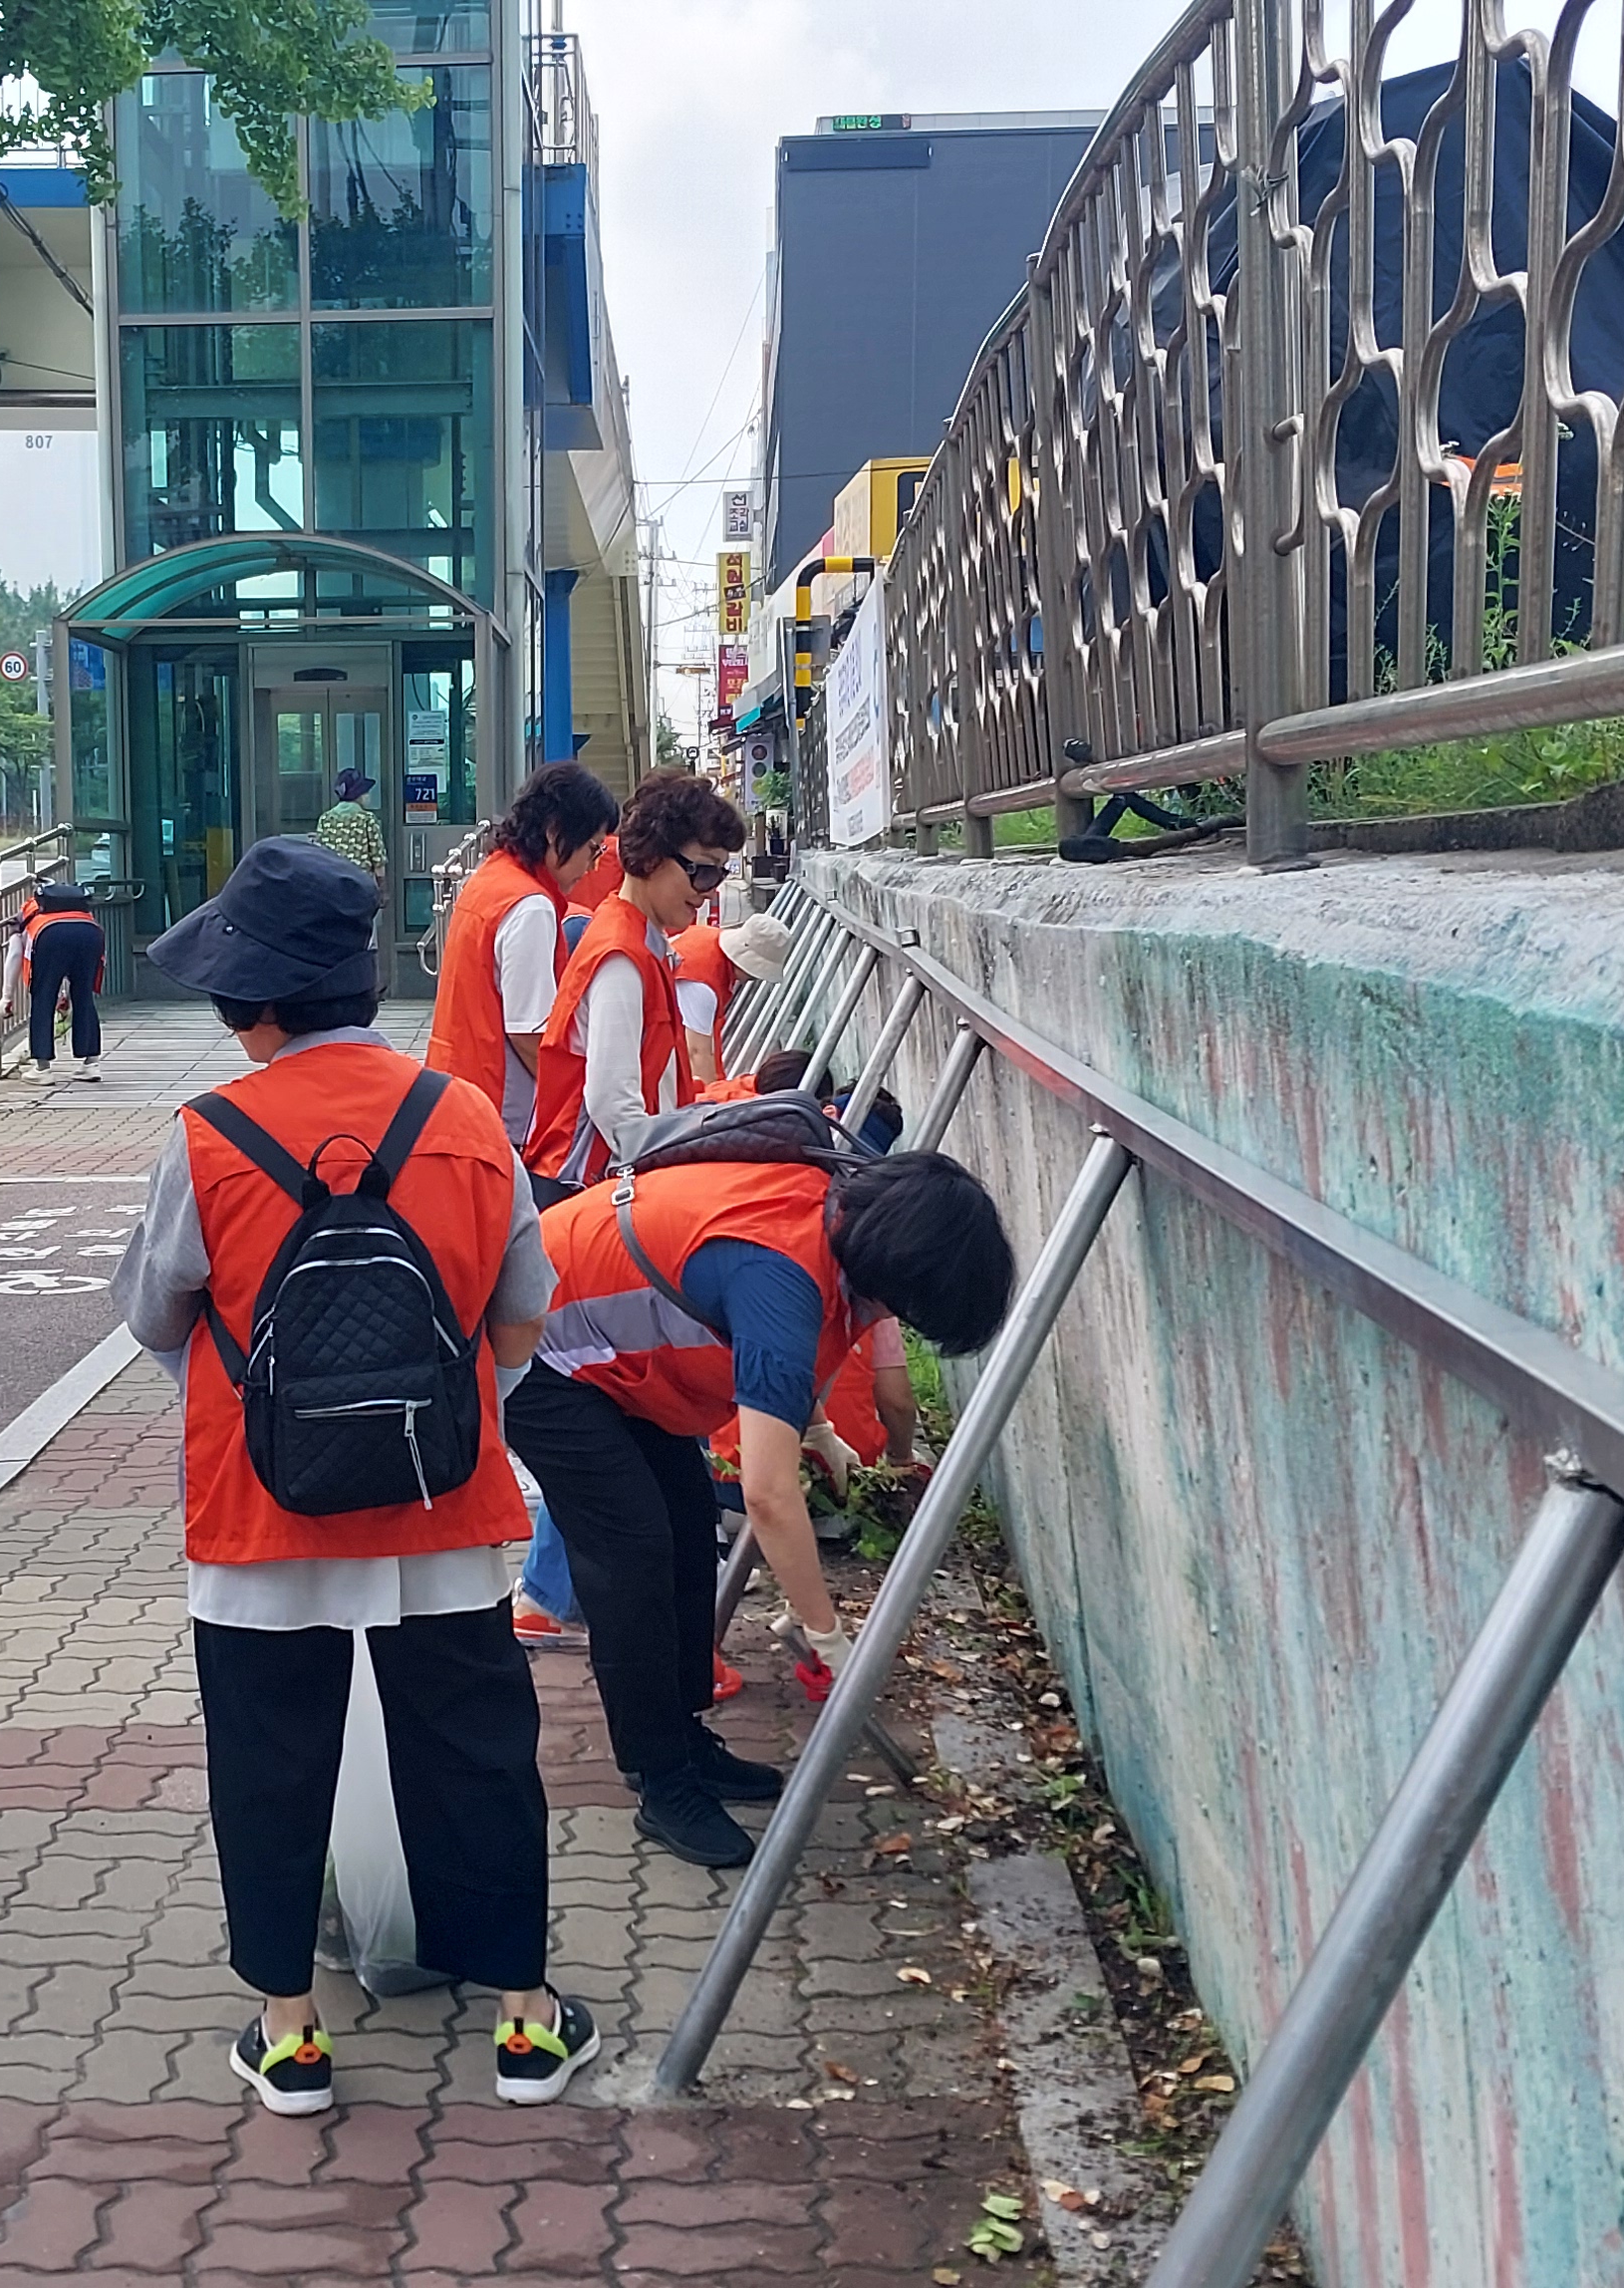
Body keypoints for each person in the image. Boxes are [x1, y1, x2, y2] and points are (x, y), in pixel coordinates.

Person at [113, 837, 590, 2118]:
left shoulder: (204, 1137)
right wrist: (442, 1415)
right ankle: (528, 2027)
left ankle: (291, 2037)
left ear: (251, 1001)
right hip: (443, 1511)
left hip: (258, 1522)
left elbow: (157, 1316)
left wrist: (268, 1413)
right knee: (478, 1752)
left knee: (268, 1764)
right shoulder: (466, 1117)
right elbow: (524, 1306)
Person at [512, 1142, 1013, 1865]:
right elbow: (771, 1496)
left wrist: (817, 1428)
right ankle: (661, 1781)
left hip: (612, 1365)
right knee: (632, 1552)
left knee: (688, 1530)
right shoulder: (780, 1273)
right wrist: (826, 1631)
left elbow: (790, 1351)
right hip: (538, 1352)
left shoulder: (832, 1217)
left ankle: (686, 1737)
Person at [526, 774, 747, 1194]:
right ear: (651, 857)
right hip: (586, 1186)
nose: (707, 892)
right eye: (701, 871)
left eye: (719, 875)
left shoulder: (642, 940)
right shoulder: (621, 957)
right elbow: (614, 1106)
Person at [423, 762, 614, 1157]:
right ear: (555, 832)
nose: (594, 865)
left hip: (458, 1089)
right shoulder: (530, 906)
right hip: (501, 1108)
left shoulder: (491, 878)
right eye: (593, 848)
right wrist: (578, 1106)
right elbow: (529, 1032)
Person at [671, 911, 793, 1093]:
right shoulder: (701, 982)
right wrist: (713, 1103)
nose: (754, 978)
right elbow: (697, 1052)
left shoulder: (707, 938)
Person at [0, 878, 107, 1080]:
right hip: (90, 934)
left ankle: (42, 1068)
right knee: (84, 997)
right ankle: (91, 1063)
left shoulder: (28, 910)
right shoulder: (80, 908)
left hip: (48, 935)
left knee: (43, 998)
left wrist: (7, 996)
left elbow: (15, 954)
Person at [310, 765, 388, 882]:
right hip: (360, 884)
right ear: (359, 795)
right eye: (366, 792)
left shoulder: (325, 818)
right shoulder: (367, 819)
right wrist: (382, 889)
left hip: (333, 883)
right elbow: (378, 862)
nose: (368, 796)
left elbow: (321, 855)